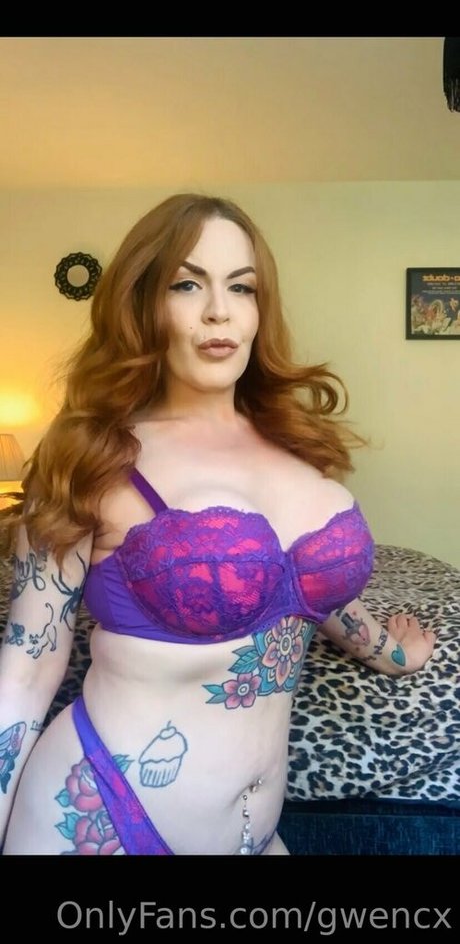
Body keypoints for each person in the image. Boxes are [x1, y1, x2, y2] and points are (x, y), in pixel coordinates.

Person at [0, 194, 435, 856]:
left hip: (254, 836)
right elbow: (27, 669)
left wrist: (392, 653)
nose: (218, 311)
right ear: (142, 304)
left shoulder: (294, 442)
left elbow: (306, 586)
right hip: (104, 821)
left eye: (241, 286)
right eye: (186, 284)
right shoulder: (91, 457)